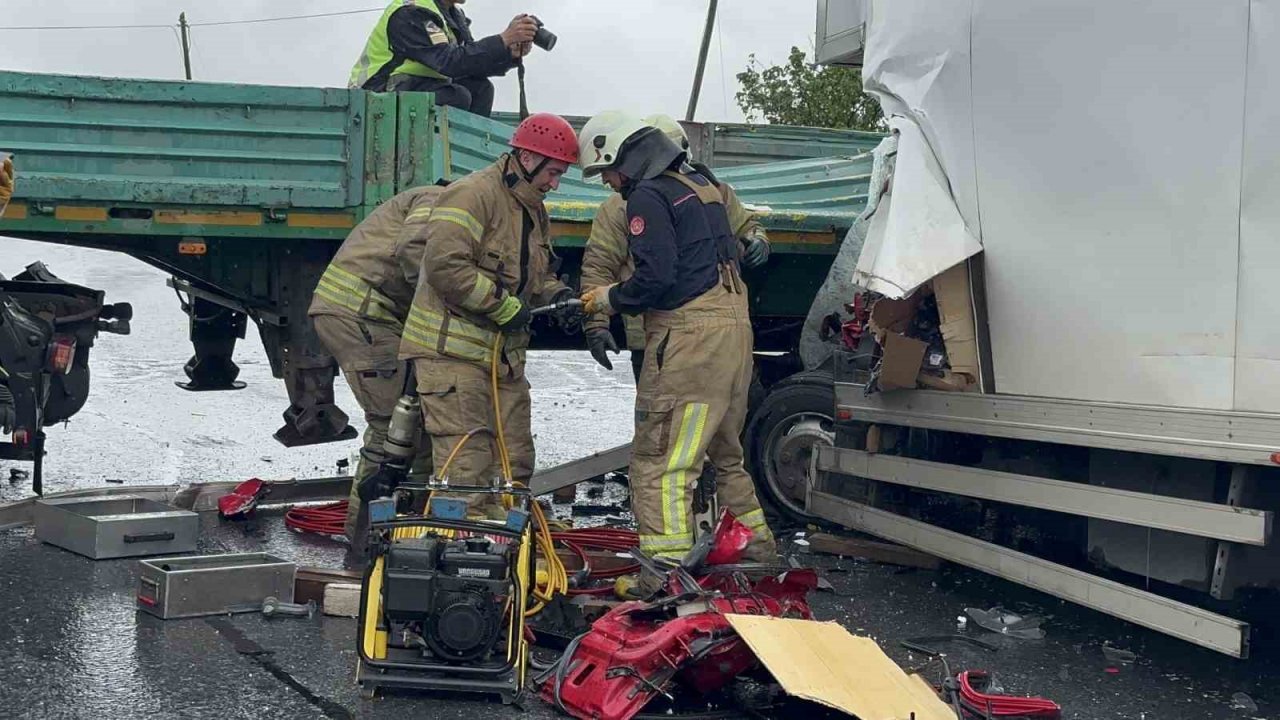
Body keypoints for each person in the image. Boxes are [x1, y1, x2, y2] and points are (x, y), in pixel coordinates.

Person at [576, 111, 778, 562]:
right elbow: (601, 266)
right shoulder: (705, 190)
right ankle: (755, 556)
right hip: (729, 337)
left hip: (684, 344)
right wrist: (597, 323)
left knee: (662, 463)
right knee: (726, 456)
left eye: (606, 171)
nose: (607, 182)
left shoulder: (644, 198)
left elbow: (655, 278)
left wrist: (605, 305)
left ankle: (665, 575)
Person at [399, 113, 580, 516]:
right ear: (527, 158)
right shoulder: (472, 194)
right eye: (553, 171)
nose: (556, 183)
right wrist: (502, 306)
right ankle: (463, 560)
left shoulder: (532, 209)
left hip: (502, 360)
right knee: (468, 468)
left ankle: (506, 554)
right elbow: (446, 267)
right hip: (453, 357)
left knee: (514, 463)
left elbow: (535, 277)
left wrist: (561, 295)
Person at [579, 114, 770, 380]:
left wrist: (757, 239)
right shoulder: (620, 207)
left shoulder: (713, 192)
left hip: (696, 329)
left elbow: (745, 226)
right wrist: (596, 325)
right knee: (682, 412)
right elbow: (600, 265)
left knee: (681, 414)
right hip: (652, 332)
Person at [308, 184, 445, 544]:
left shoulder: (431, 198)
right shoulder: (438, 199)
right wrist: (438, 303)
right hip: (363, 318)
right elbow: (414, 249)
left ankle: (396, 537)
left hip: (365, 317)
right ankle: (363, 544)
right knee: (394, 434)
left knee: (410, 428)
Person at [349, 0, 539, 117]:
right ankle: (434, 156)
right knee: (457, 96)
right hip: (378, 92)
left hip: (417, 85)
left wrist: (508, 52)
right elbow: (448, 61)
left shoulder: (452, 15)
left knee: (481, 89)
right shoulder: (411, 11)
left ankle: (464, 164)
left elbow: (469, 64)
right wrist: (503, 39)